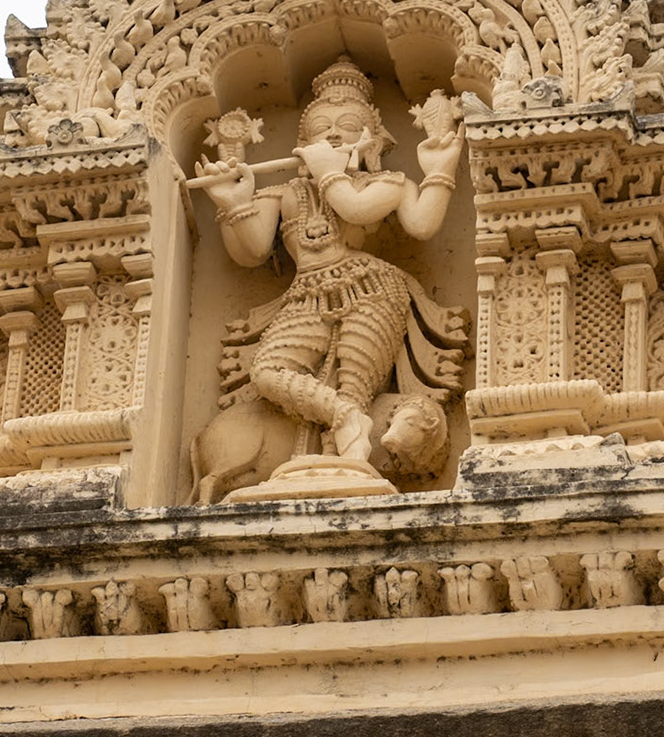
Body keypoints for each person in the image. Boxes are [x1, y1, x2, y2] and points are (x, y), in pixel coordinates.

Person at [193, 58, 463, 463]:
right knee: (268, 371)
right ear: (303, 141)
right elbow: (251, 251)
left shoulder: (384, 183)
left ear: (371, 136)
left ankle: (346, 460)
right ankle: (346, 417)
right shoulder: (287, 193)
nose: (335, 133)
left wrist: (440, 168)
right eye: (322, 129)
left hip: (372, 291)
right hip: (305, 296)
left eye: (348, 126)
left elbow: (409, 221)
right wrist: (232, 203)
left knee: (356, 380)